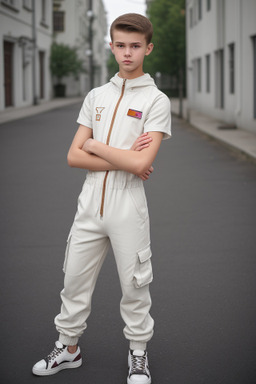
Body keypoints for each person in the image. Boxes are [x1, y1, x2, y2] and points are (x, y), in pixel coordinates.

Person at [32, 13, 171, 384]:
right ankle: (68, 348)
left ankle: (138, 354)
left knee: (134, 285)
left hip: (129, 205)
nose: (127, 53)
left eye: (135, 46)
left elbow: (141, 161)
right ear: (111, 46)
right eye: (121, 45)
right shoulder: (97, 96)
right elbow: (72, 157)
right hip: (90, 202)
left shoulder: (156, 100)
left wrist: (94, 144)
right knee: (74, 280)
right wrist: (123, 158)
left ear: (148, 48)